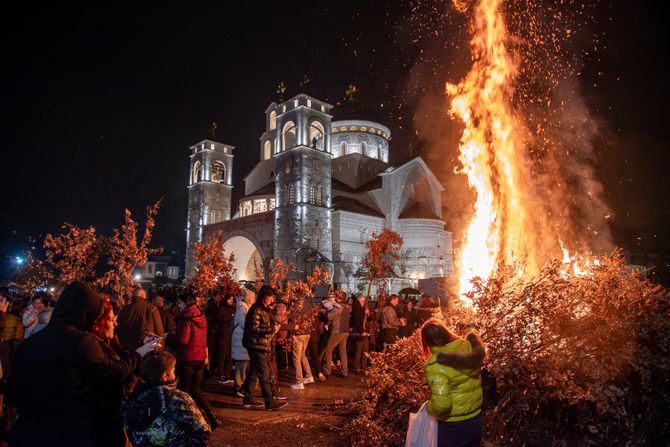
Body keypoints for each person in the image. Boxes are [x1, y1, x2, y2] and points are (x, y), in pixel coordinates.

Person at [6, 282, 159, 447]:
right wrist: (140, 353)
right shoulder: (80, 342)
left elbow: (13, 396)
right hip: (69, 433)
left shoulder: (28, 345)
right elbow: (113, 373)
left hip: (28, 433)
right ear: (85, 312)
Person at [121, 351, 211, 447]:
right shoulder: (177, 398)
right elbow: (203, 431)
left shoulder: (134, 395)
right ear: (165, 376)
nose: (175, 373)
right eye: (173, 370)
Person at [420, 319, 486, 447]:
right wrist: (472, 329)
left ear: (426, 342)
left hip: (453, 426)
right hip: (475, 420)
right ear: (446, 332)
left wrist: (428, 408)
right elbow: (476, 339)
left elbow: (442, 405)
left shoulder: (435, 364)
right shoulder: (468, 345)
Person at [165, 289, 218, 429]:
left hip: (187, 358)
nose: (179, 305)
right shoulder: (201, 316)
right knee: (196, 390)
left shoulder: (186, 318)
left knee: (183, 392)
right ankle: (212, 416)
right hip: (199, 358)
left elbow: (182, 340)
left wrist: (168, 337)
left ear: (186, 302)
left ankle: (184, 422)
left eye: (180, 302)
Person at [241, 285, 287, 411]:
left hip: (260, 344)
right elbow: (255, 329)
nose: (272, 300)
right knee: (264, 374)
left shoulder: (264, 309)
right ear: (264, 296)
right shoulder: (256, 310)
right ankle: (269, 401)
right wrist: (272, 329)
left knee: (254, 372)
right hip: (256, 345)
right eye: (270, 297)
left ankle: (248, 398)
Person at [117, 285, 164, 352]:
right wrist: (160, 349)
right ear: (142, 296)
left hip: (127, 349)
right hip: (146, 349)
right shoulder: (152, 308)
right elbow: (159, 331)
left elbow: (119, 328)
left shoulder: (125, 309)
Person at [231, 287, 255, 397]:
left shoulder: (247, 307)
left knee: (245, 364)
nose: (254, 299)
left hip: (244, 340)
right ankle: (239, 386)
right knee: (241, 365)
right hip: (240, 340)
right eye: (253, 297)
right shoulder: (242, 308)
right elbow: (244, 324)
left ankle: (243, 386)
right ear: (247, 298)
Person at [289, 296, 315, 390]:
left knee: (296, 358)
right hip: (307, 333)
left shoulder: (296, 305)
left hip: (298, 333)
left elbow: (292, 319)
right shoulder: (308, 304)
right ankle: (309, 376)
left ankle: (299, 382)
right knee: (303, 355)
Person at [321, 292, 350, 378]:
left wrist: (324, 312)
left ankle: (327, 370)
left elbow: (330, 317)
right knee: (343, 351)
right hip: (345, 331)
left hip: (337, 331)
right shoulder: (347, 306)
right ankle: (345, 371)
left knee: (328, 349)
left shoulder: (338, 307)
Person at [213, 294, 236, 382]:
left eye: (232, 299)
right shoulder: (221, 308)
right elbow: (219, 320)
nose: (231, 301)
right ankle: (221, 373)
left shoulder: (233, 309)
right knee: (222, 354)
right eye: (229, 299)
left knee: (229, 355)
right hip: (223, 334)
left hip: (231, 334)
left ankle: (228, 373)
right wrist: (230, 316)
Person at [350, 293, 370, 374]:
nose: (364, 300)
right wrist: (362, 331)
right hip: (359, 332)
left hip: (365, 331)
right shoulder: (356, 307)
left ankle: (364, 367)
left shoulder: (364, 307)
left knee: (365, 349)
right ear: (360, 299)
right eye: (363, 298)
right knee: (359, 349)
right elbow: (357, 320)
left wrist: (367, 313)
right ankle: (357, 366)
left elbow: (367, 319)